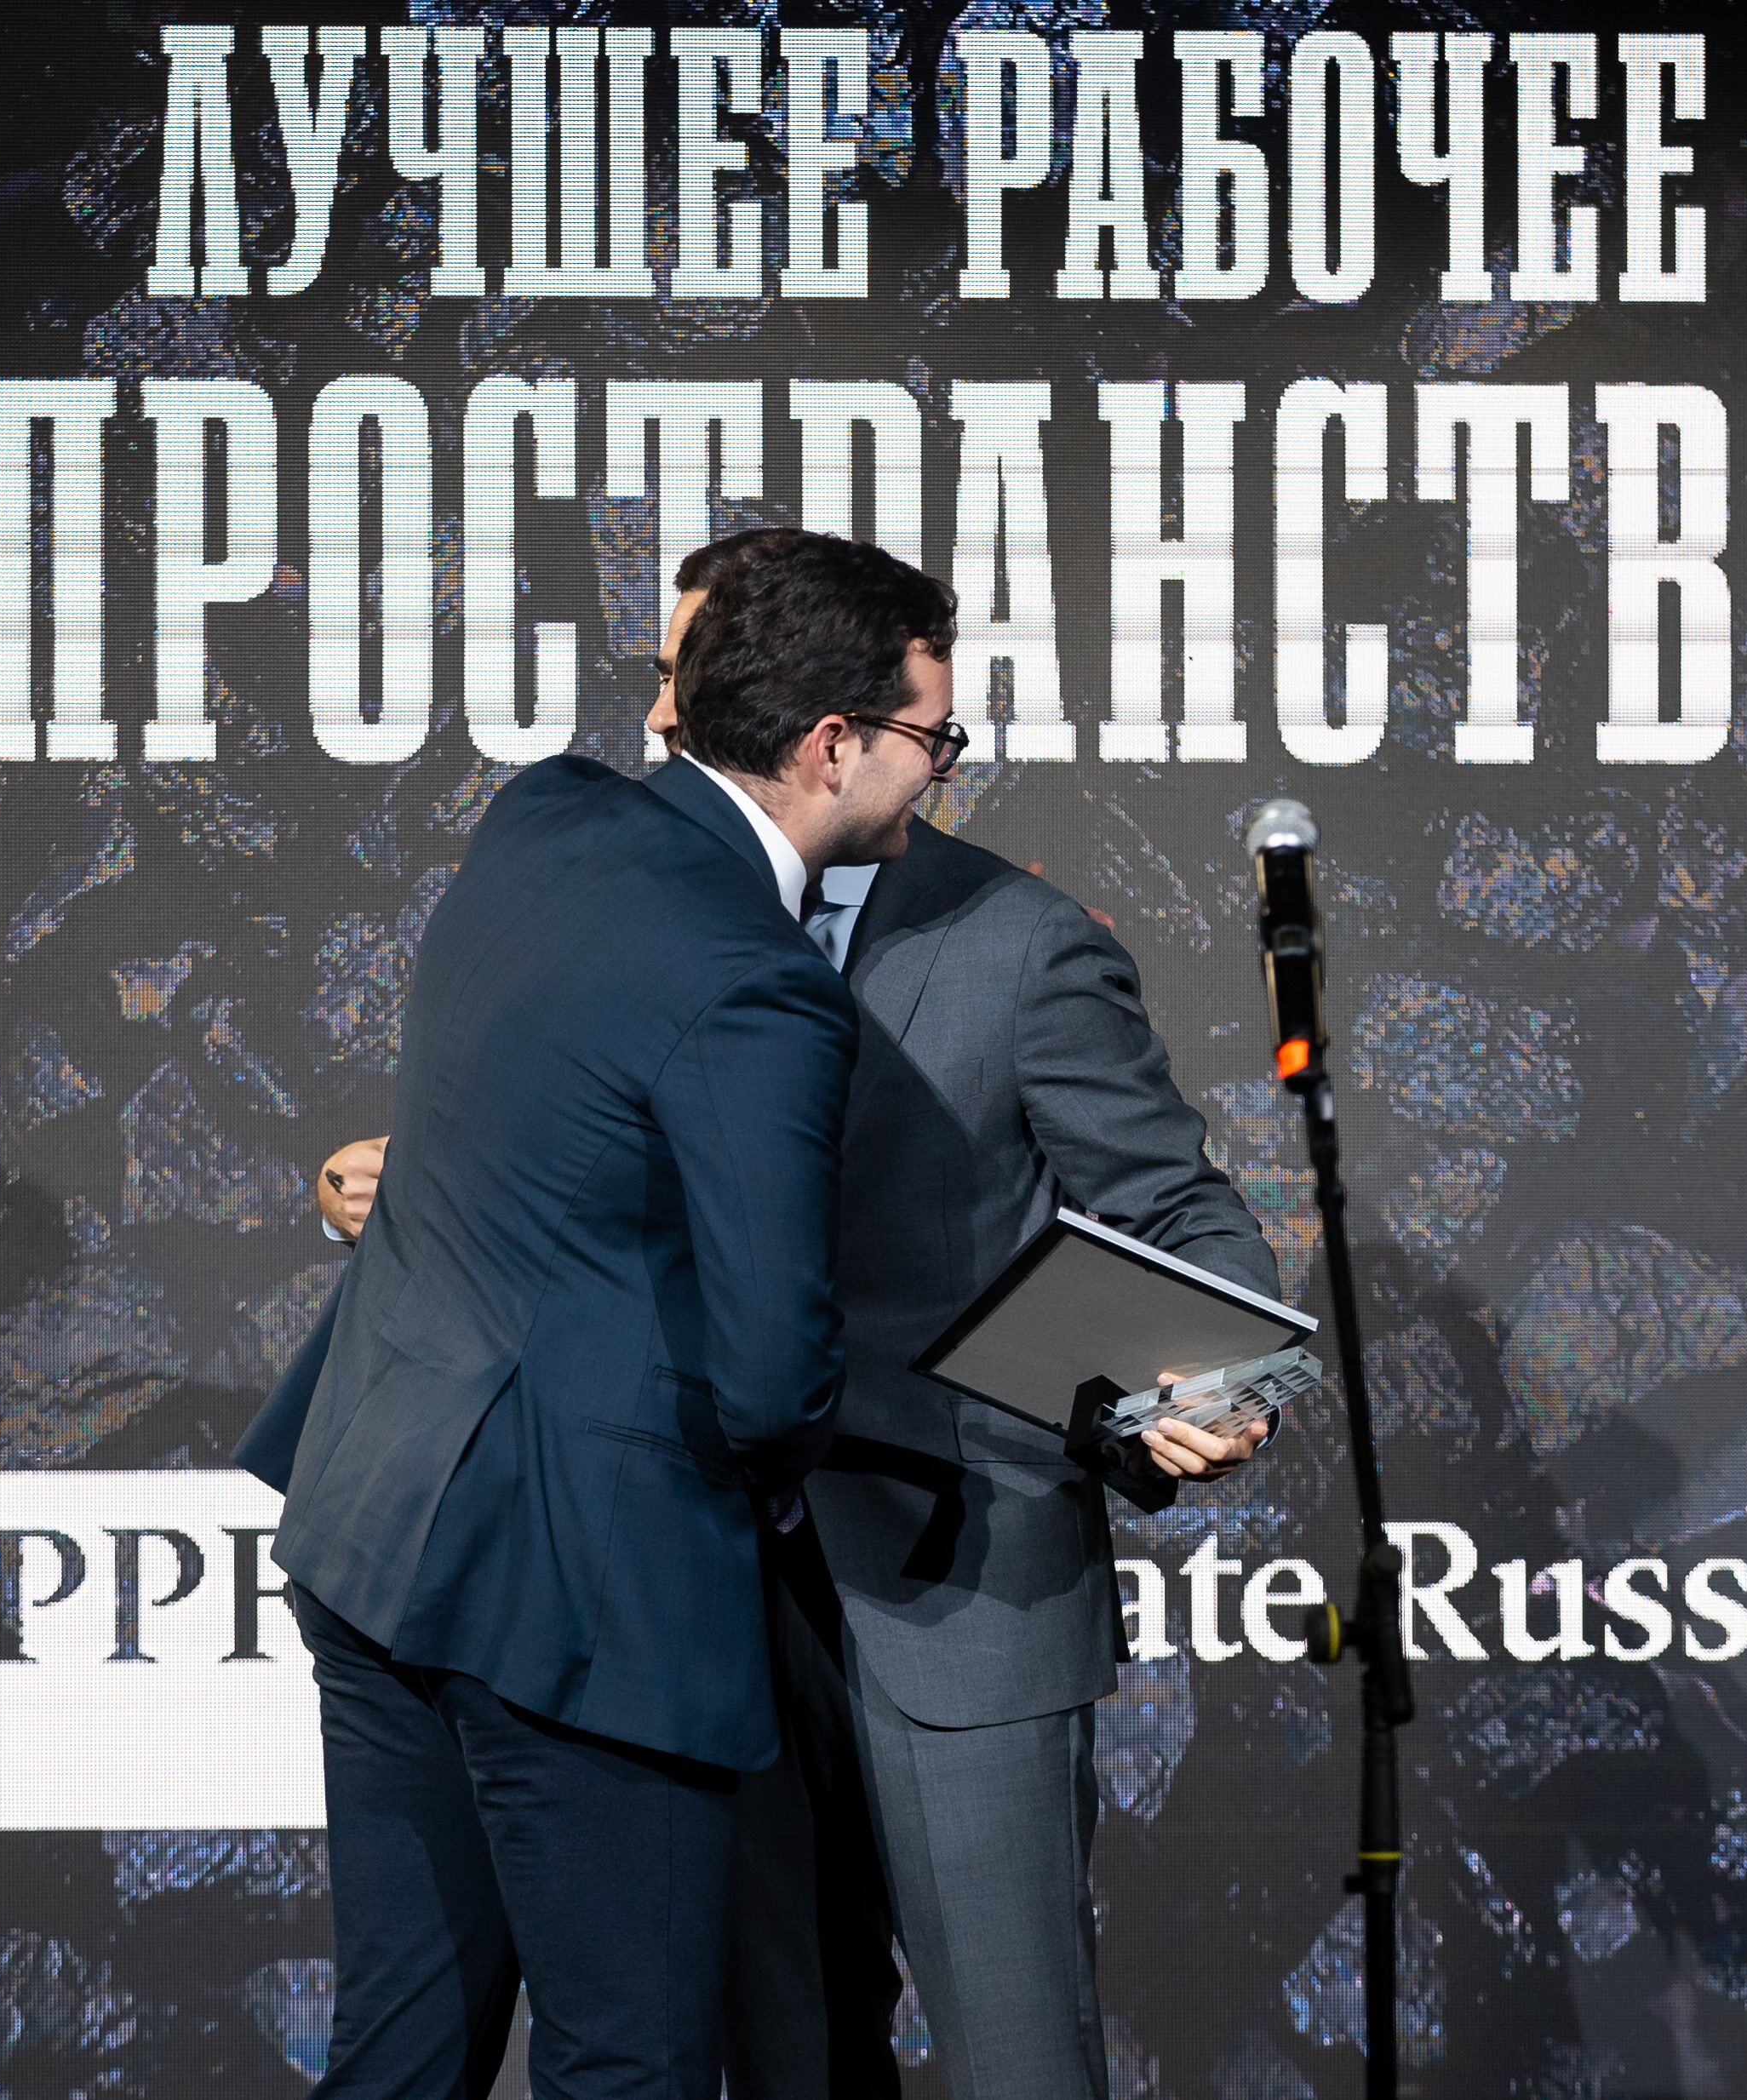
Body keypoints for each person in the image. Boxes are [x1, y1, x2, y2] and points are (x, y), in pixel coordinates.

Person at [266, 528, 1277, 2100]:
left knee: (1014, 2057)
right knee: (768, 2056)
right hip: (680, 1586)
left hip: (950, 1581)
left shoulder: (1022, 944)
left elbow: (1176, 1211)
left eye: (690, 675)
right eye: (668, 675)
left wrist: (1206, 1378)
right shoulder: (600, 864)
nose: (667, 712)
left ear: (820, 724)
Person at [254, 529, 962, 2100]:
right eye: (934, 737)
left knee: (399, 2050)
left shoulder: (543, 816)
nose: (944, 767)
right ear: (830, 744)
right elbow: (770, 1379)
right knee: (629, 2065)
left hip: (374, 1524)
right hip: (579, 1599)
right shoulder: (763, 987)